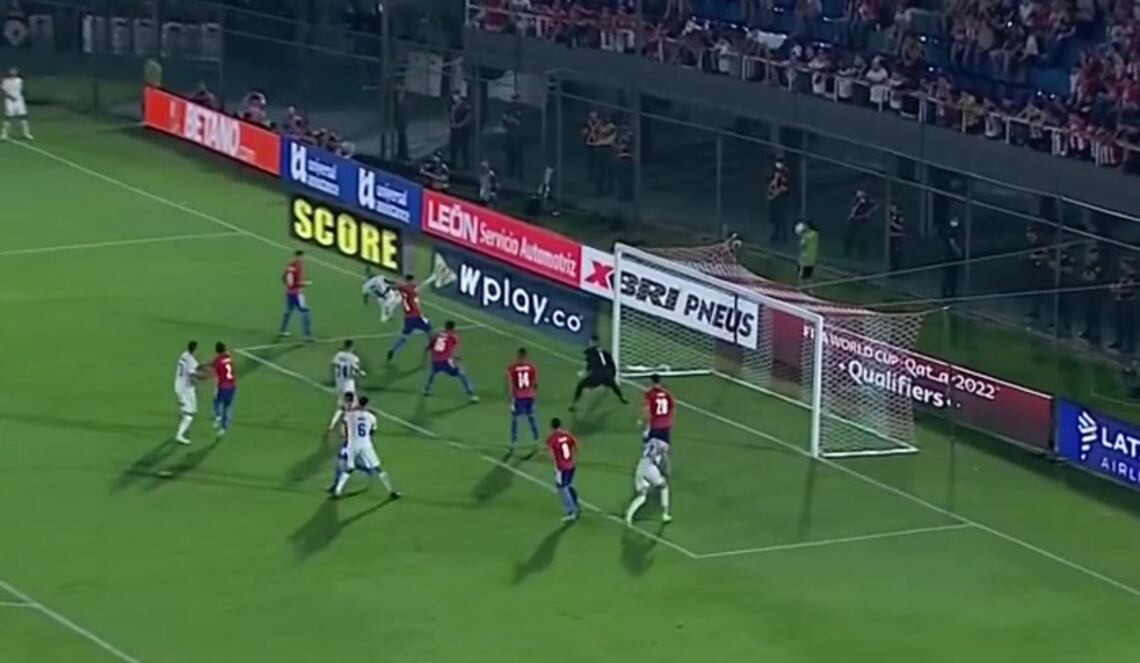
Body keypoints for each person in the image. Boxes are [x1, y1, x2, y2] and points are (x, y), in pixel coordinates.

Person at [330, 396, 401, 499]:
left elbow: (344, 424)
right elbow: (372, 432)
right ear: (367, 404)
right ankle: (391, 491)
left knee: (349, 468)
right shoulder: (371, 417)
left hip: (352, 444)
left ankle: (338, 491)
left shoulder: (350, 415)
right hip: (366, 444)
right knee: (378, 468)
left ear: (358, 403)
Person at [569, 335, 627, 411]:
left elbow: (590, 365)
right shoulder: (604, 352)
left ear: (592, 342)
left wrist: (584, 372)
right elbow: (611, 364)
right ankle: (622, 397)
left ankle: (573, 405)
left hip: (597, 376)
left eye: (590, 342)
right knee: (612, 384)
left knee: (580, 385)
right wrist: (612, 375)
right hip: (608, 374)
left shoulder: (590, 353)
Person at [423, 321, 477, 401]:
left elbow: (428, 347)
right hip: (445, 361)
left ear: (445, 327)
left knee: (433, 373)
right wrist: (456, 358)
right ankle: (471, 395)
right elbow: (453, 350)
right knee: (461, 374)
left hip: (435, 360)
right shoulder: (453, 337)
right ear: (453, 328)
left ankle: (426, 389)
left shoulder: (438, 335)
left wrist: (425, 359)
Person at [624, 434, 672, 525]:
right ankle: (665, 514)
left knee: (642, 496)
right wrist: (666, 471)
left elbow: (645, 436)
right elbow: (664, 459)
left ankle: (629, 515)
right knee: (664, 486)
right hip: (650, 466)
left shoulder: (649, 441)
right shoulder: (663, 443)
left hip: (641, 465)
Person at [387, 274, 433, 361]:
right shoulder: (410, 290)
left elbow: (397, 286)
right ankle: (430, 348)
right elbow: (417, 289)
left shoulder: (403, 288)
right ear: (411, 280)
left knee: (404, 337)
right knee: (430, 330)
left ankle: (393, 349)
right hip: (416, 316)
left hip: (407, 318)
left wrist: (391, 284)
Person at [546, 418, 581, 522]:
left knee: (562, 489)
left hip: (561, 468)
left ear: (551, 426)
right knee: (568, 485)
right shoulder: (567, 434)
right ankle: (576, 504)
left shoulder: (552, 438)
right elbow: (576, 445)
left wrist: (555, 465)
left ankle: (571, 512)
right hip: (571, 465)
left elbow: (550, 454)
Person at [507, 348, 540, 451]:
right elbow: (535, 383)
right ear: (526, 356)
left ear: (518, 355)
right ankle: (536, 439)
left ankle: (514, 441)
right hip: (529, 396)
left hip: (518, 397)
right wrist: (534, 394)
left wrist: (510, 395)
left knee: (515, 419)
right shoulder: (532, 367)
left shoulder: (512, 368)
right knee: (531, 417)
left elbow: (510, 383)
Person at [329, 340, 365, 429]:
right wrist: (361, 373)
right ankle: (348, 425)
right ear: (351, 347)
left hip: (339, 384)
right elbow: (355, 371)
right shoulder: (354, 358)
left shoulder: (338, 355)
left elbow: (333, 365)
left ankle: (332, 425)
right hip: (349, 385)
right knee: (350, 406)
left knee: (343, 405)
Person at [278, 250, 313, 340]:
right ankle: (307, 335)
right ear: (298, 257)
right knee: (305, 312)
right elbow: (294, 283)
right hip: (297, 294)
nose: (303, 259)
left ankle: (282, 330)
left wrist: (289, 286)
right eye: (302, 257)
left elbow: (284, 278)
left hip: (289, 293)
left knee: (288, 311)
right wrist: (305, 284)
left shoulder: (290, 266)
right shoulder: (296, 267)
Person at [173, 341, 203, 445]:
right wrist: (202, 378)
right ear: (195, 349)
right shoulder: (192, 361)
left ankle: (184, 422)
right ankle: (179, 435)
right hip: (185, 389)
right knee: (190, 414)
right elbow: (192, 376)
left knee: (186, 410)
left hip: (178, 386)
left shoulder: (184, 355)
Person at [1110, 259, 1138, 356]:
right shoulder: (1121, 274)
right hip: (1119, 301)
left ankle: (1130, 347)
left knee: (1128, 325)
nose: (1121, 265)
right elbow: (1118, 283)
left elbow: (1130, 290)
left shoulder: (1132, 276)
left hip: (1128, 303)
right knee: (1119, 323)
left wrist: (1117, 290)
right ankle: (1119, 342)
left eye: (1123, 264)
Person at [1079, 247, 1104, 345]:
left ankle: (1097, 335)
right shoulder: (1089, 265)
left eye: (1094, 255)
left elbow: (1092, 277)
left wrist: (1088, 277)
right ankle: (1088, 331)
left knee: (1095, 315)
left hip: (1096, 294)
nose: (1092, 257)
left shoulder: (1099, 266)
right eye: (1091, 255)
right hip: (1088, 293)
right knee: (1088, 313)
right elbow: (1084, 276)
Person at [211, 342, 237, 438]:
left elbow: (214, 368)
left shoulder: (217, 361)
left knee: (216, 401)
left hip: (223, 387)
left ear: (216, 351)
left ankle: (218, 417)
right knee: (226, 407)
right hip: (232, 386)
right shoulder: (228, 357)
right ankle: (223, 428)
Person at [641, 374, 675, 443]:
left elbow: (647, 410)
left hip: (655, 426)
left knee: (650, 446)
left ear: (651, 381)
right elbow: (672, 408)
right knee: (664, 447)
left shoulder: (650, 393)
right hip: (666, 426)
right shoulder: (666, 393)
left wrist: (645, 423)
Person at [1, 67, 32, 141]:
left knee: (23, 116)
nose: (14, 75)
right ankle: (4, 134)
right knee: (8, 117)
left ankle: (26, 133)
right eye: (12, 73)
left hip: (19, 101)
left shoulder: (19, 80)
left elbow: (23, 80)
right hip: (10, 101)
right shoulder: (6, 81)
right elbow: (3, 91)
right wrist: (10, 97)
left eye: (15, 73)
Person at [844, 190, 877, 258]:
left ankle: (862, 254)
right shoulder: (856, 199)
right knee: (850, 235)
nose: (858, 193)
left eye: (860, 192)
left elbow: (874, 206)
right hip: (854, 219)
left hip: (863, 221)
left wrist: (868, 214)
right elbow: (853, 207)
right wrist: (851, 214)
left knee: (862, 237)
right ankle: (847, 252)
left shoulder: (868, 199)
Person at [767, 159, 791, 245]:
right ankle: (776, 234)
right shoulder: (774, 171)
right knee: (775, 217)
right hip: (775, 200)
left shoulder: (785, 173)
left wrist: (774, 194)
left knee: (782, 217)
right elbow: (770, 183)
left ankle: (785, 237)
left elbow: (784, 188)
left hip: (782, 199)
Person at [941, 217, 964, 301]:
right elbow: (952, 242)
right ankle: (946, 294)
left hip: (952, 257)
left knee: (952, 276)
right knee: (949, 276)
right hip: (950, 257)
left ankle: (951, 294)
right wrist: (958, 252)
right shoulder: (951, 232)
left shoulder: (954, 231)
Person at [502, 95, 524, 178]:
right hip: (510, 133)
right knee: (510, 152)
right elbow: (504, 118)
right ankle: (511, 171)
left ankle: (519, 173)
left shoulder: (519, 108)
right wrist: (509, 119)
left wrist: (510, 119)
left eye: (516, 99)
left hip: (517, 134)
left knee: (518, 154)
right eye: (514, 99)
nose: (515, 101)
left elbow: (517, 121)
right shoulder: (509, 108)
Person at [887, 203, 905, 271]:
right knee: (891, 254)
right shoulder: (891, 215)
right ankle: (892, 268)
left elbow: (901, 227)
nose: (890, 208)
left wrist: (892, 223)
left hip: (897, 237)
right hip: (891, 237)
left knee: (896, 254)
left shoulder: (899, 216)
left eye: (892, 207)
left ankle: (897, 269)